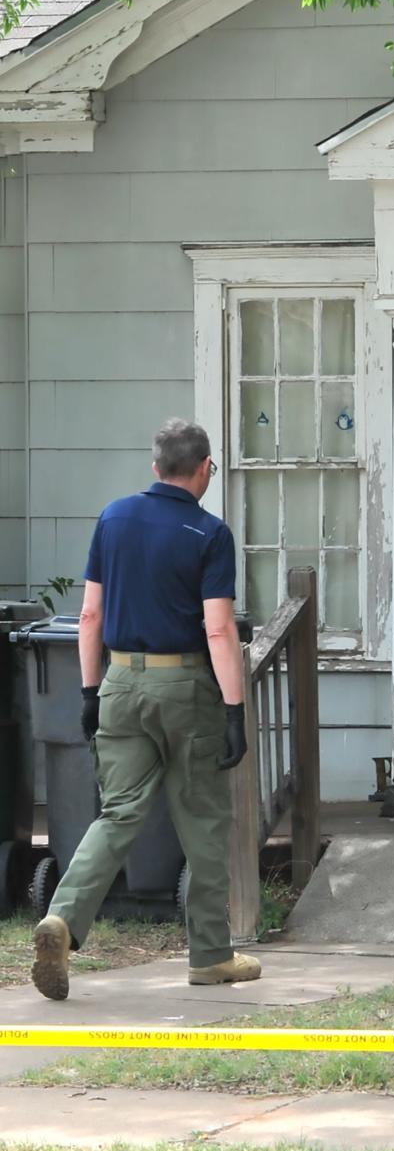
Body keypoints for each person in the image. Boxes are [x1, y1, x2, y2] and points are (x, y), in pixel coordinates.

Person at [31, 418, 259, 1001]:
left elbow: (89, 616)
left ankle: (61, 919)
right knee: (203, 823)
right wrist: (234, 709)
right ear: (205, 468)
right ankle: (210, 956)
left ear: (155, 467)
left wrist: (89, 692)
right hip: (185, 689)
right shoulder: (210, 532)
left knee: (118, 815)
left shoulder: (113, 518)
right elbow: (218, 629)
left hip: (121, 682)